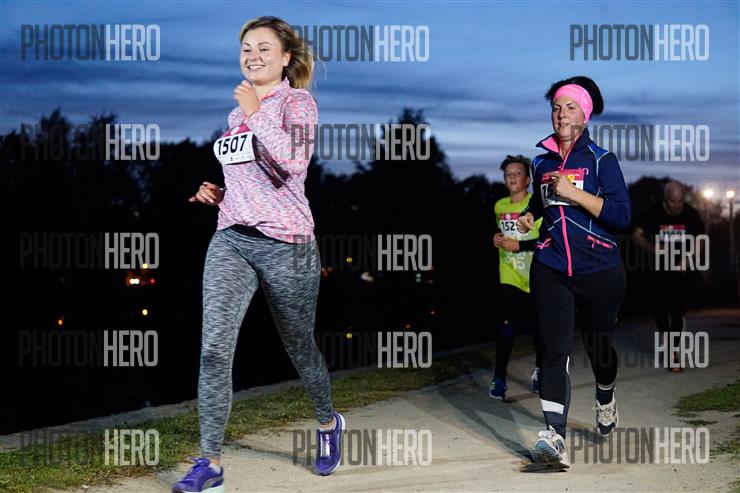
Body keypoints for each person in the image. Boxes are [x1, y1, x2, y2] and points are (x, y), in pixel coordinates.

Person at [173, 17, 344, 493]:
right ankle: (210, 462)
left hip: (288, 244)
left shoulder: (298, 103)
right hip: (232, 238)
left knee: (299, 345)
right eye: (246, 48)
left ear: (286, 58)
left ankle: (328, 422)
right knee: (213, 349)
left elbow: (294, 164)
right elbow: (255, 179)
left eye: (264, 48)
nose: (253, 56)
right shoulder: (237, 116)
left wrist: (257, 111)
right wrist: (220, 193)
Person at [517, 76, 631, 468]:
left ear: (586, 114)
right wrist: (529, 215)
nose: (561, 114)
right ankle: (555, 436)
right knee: (554, 349)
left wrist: (575, 193)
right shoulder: (541, 162)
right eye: (556, 107)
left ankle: (605, 393)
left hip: (600, 269)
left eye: (569, 107)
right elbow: (540, 200)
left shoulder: (602, 160)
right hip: (551, 266)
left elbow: (621, 216)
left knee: (599, 348)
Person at [632, 180, 705, 372]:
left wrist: (688, 259)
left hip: (680, 269)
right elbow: (637, 235)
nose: (677, 206)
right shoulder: (654, 212)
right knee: (658, 310)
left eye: (680, 201)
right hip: (658, 270)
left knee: (677, 311)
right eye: (673, 202)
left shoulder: (690, 214)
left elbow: (700, 240)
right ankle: (666, 336)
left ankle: (673, 352)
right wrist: (653, 248)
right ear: (665, 200)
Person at [488, 155, 543, 400]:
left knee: (541, 327)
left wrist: (519, 246)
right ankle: (499, 379)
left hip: (537, 273)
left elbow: (547, 239)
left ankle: (540, 372)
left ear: (528, 180)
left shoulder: (537, 204)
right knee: (508, 326)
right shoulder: (499, 206)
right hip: (510, 273)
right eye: (508, 174)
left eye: (517, 173)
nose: (512, 177)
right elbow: (501, 233)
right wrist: (496, 239)